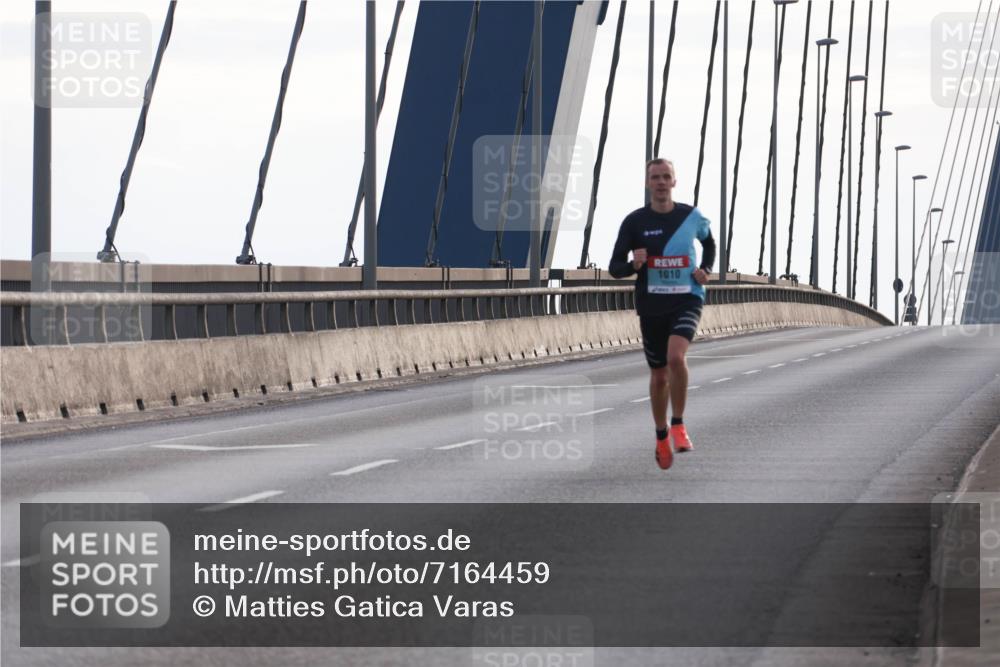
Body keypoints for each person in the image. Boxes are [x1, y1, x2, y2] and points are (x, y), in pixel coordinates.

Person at [609, 158, 716, 470]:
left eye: (665, 176)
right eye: (654, 177)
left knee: (675, 358)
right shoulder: (634, 222)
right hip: (651, 305)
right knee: (658, 376)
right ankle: (661, 435)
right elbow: (615, 267)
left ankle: (679, 424)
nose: (660, 182)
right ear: (647, 183)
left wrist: (706, 270)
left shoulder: (690, 216)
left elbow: (709, 244)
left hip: (687, 298)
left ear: (674, 182)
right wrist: (634, 265)